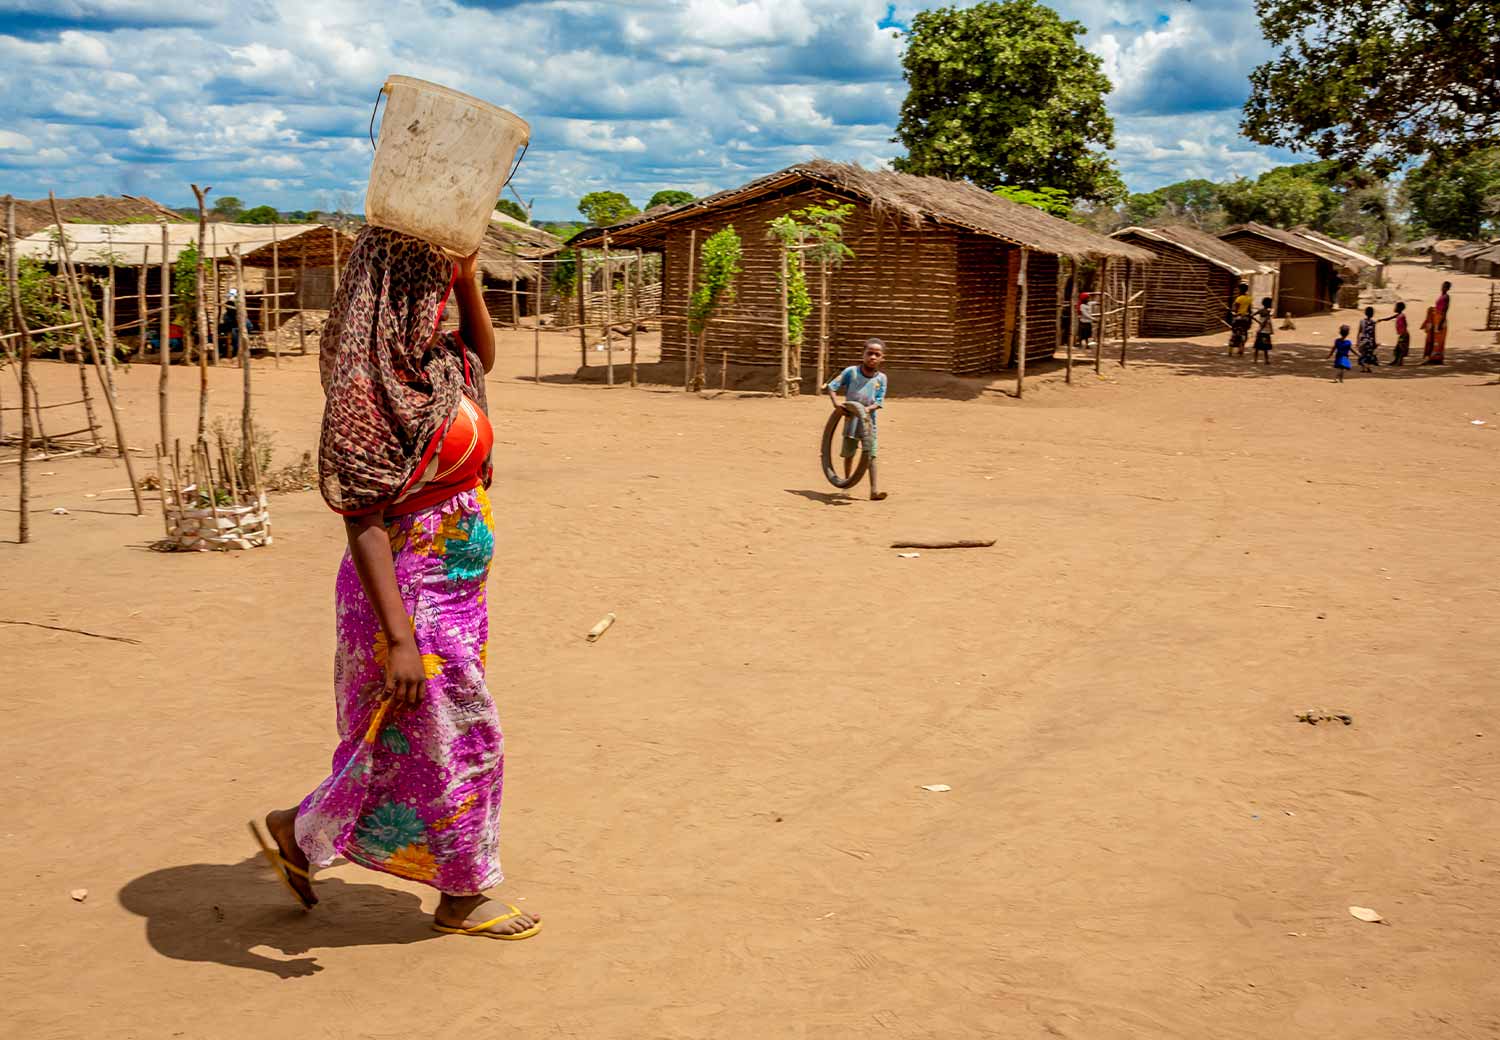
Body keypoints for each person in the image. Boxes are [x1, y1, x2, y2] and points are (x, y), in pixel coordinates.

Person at [250, 226, 540, 941]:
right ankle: (462, 895)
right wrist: (399, 638)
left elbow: (483, 357)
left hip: (455, 593)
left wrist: (471, 278)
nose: (439, 296)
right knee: (464, 737)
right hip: (409, 599)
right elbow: (363, 519)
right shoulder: (365, 386)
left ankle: (300, 830)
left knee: (405, 740)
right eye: (433, 283)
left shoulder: (436, 364)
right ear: (395, 292)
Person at [826, 338, 889, 502]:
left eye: (877, 354)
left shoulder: (881, 378)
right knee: (849, 453)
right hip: (851, 421)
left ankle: (874, 490)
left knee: (871, 455)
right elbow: (832, 387)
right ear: (863, 354)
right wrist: (836, 404)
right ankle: (847, 484)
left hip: (868, 423)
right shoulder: (851, 372)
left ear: (882, 358)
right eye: (870, 353)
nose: (873, 357)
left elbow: (879, 401)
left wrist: (867, 410)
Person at [1422, 281, 1450, 364]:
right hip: (1436, 319)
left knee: (1438, 340)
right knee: (1434, 338)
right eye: (1442, 286)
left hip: (1441, 320)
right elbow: (1439, 307)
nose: (1443, 287)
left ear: (1448, 288)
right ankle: (1432, 358)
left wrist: (1441, 322)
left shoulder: (1446, 297)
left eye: (1445, 287)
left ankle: (1436, 358)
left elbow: (1445, 310)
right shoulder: (1441, 296)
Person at [1228, 282, 1252, 356]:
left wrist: (1232, 311)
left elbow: (1235, 309)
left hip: (1238, 318)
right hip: (1245, 319)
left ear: (1240, 290)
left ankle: (1230, 351)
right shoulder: (1249, 298)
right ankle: (1241, 350)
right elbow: (1249, 310)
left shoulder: (1239, 298)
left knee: (1234, 333)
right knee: (1244, 333)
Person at [1251, 296, 1274, 364]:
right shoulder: (1268, 312)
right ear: (1269, 304)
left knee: (1257, 346)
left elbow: (1252, 316)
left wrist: (1258, 322)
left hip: (1260, 330)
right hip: (1265, 331)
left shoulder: (1260, 310)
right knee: (1265, 347)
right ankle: (1266, 360)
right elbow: (1266, 322)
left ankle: (1255, 360)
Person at [1356, 306, 1380, 371]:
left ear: (1365, 313)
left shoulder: (1362, 321)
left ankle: (1363, 368)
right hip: (1370, 341)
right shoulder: (1373, 322)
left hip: (1363, 341)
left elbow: (1359, 332)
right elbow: (1373, 334)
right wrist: (1374, 343)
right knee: (1369, 355)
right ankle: (1368, 368)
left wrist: (1357, 342)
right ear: (1372, 314)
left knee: (1363, 354)